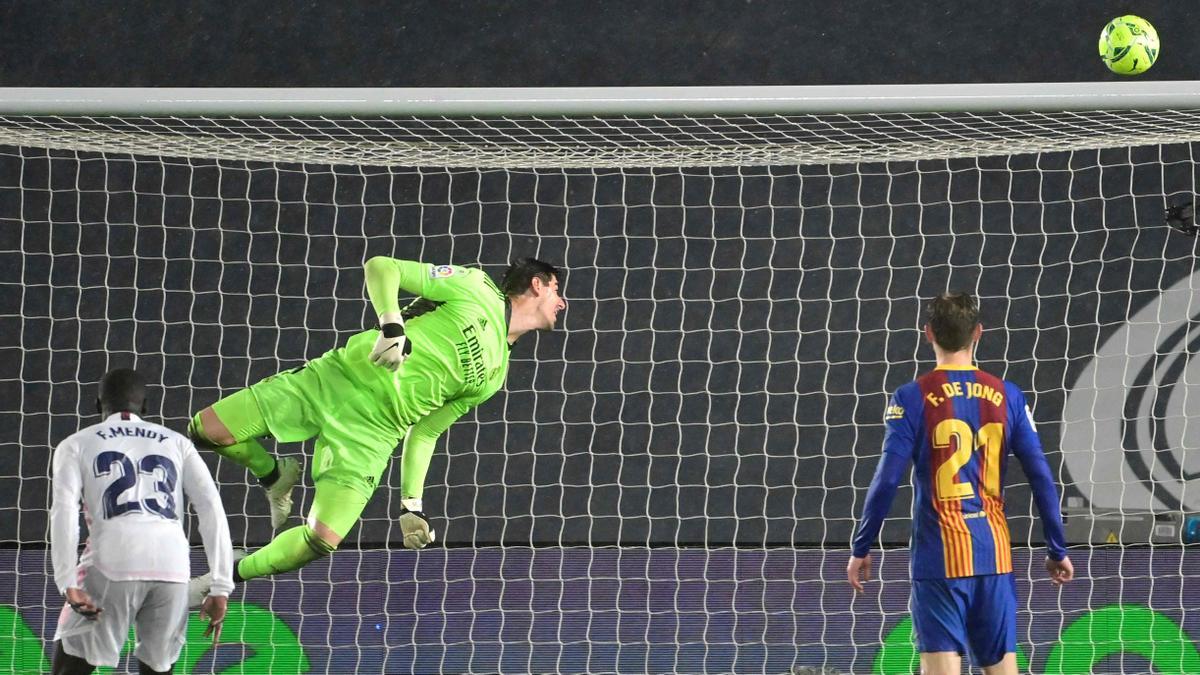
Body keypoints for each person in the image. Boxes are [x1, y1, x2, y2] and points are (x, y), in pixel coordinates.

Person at [187, 256, 565, 596]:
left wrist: (411, 505)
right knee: (206, 429)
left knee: (322, 540)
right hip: (333, 380)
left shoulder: (496, 374)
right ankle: (274, 475)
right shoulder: (475, 286)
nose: (561, 303)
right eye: (557, 290)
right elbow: (382, 266)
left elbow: (427, 432)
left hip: (372, 435)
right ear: (537, 284)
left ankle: (225, 575)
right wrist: (391, 325)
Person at [846, 292, 1073, 675]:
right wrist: (1056, 548)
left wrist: (861, 546)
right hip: (994, 556)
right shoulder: (1008, 395)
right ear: (979, 334)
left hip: (939, 557)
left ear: (927, 333)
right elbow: (1040, 476)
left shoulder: (911, 396)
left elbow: (887, 479)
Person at [50, 368, 233, 675]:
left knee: (70, 667)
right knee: (158, 669)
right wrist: (221, 586)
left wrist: (66, 580)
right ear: (145, 407)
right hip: (172, 570)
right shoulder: (177, 443)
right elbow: (212, 508)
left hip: (111, 565)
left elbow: (64, 512)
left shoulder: (76, 443)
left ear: (98, 405)